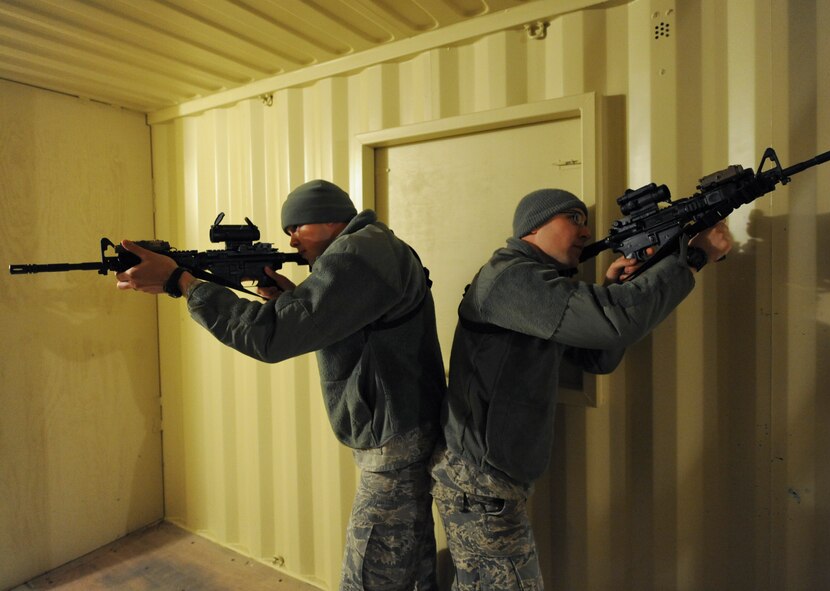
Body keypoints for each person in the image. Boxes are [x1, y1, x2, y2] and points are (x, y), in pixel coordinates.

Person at [115, 179, 446, 591]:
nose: (290, 242)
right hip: (404, 421)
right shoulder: (376, 246)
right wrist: (290, 298)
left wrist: (185, 283)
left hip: (393, 435)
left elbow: (269, 339)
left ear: (328, 220)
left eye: (296, 229)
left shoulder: (357, 254)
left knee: (371, 572)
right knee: (410, 560)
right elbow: (346, 322)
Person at [429, 188, 733, 590]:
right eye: (573, 218)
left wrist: (613, 289)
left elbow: (598, 357)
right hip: (479, 480)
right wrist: (693, 259)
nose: (586, 230)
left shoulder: (543, 285)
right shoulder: (511, 279)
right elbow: (615, 322)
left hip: (491, 475)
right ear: (532, 228)